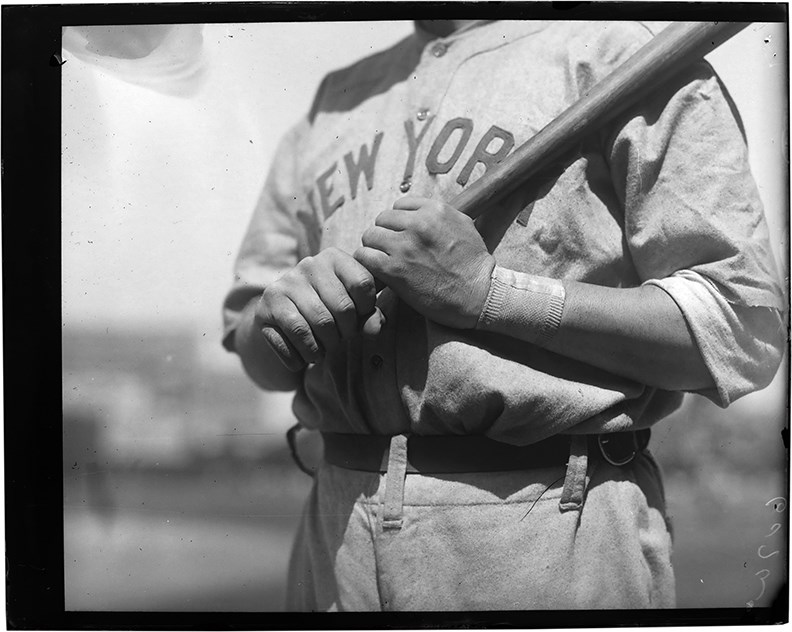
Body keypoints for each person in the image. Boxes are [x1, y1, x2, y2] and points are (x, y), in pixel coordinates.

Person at [222, 20, 785, 610]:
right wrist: (281, 317)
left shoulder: (616, 52)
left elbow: (741, 328)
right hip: (335, 531)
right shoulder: (336, 99)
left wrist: (492, 294)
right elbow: (260, 356)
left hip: (545, 521)